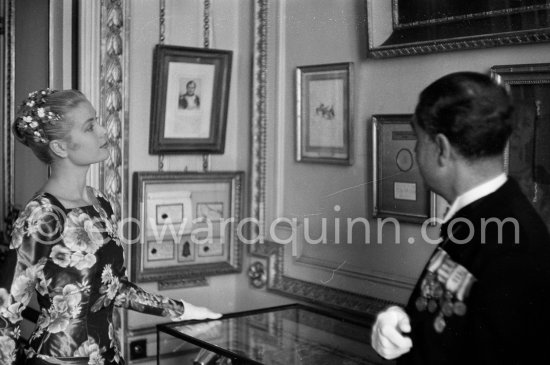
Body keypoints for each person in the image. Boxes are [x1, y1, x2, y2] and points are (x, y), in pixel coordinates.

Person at [0, 89, 221, 365]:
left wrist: (181, 310)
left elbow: (114, 287)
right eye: (90, 127)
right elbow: (4, 315)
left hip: (109, 358)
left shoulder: (101, 202)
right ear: (60, 147)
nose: (104, 132)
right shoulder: (42, 215)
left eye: (98, 121)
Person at [371, 72, 550, 364]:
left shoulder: (514, 248)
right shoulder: (482, 218)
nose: (416, 154)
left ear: (440, 149)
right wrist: (407, 326)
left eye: (418, 141)